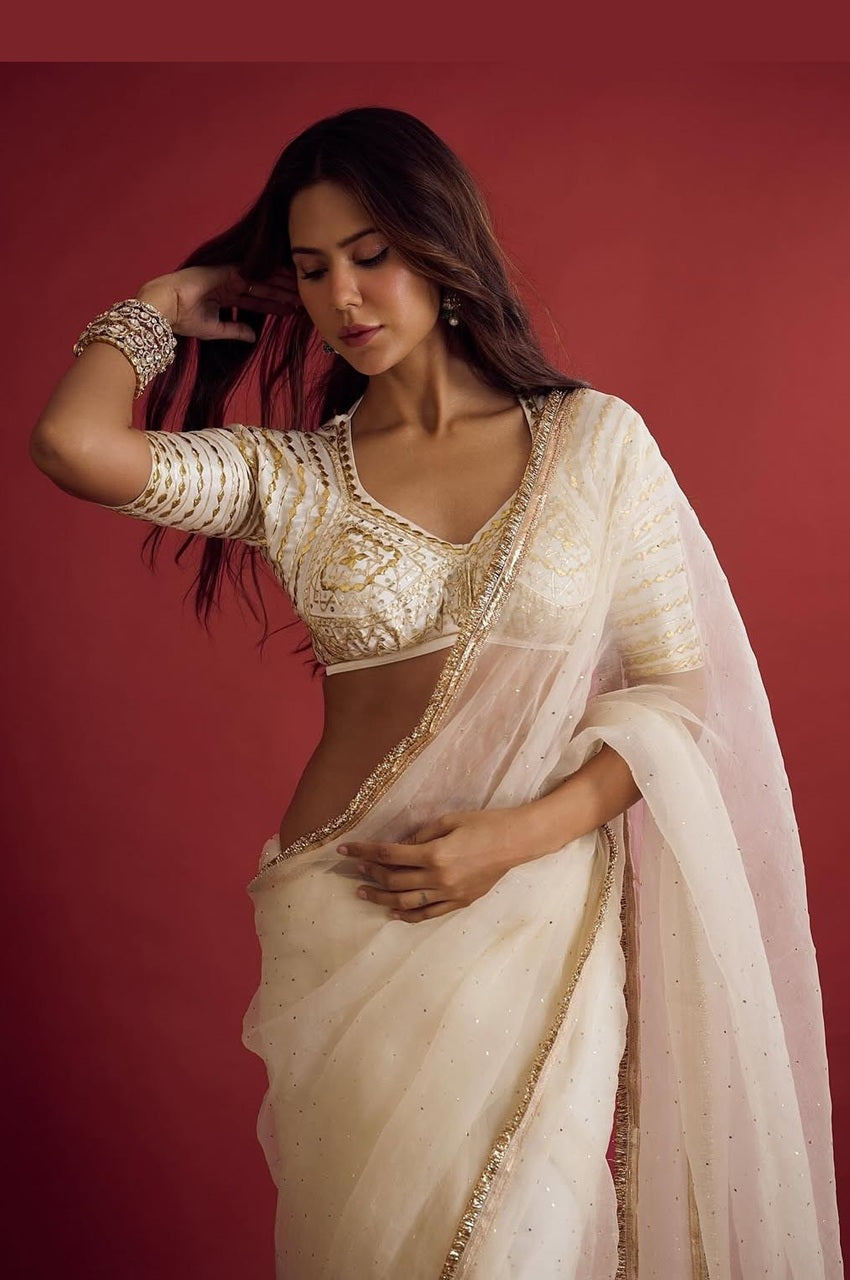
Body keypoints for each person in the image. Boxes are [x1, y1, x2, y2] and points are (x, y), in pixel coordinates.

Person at [29, 106, 843, 1279]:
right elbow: (73, 446)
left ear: (441, 248)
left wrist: (516, 836)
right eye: (311, 271)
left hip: (532, 910)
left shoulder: (594, 442)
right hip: (354, 916)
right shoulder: (292, 477)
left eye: (373, 255)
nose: (345, 297)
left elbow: (680, 690)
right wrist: (155, 306)